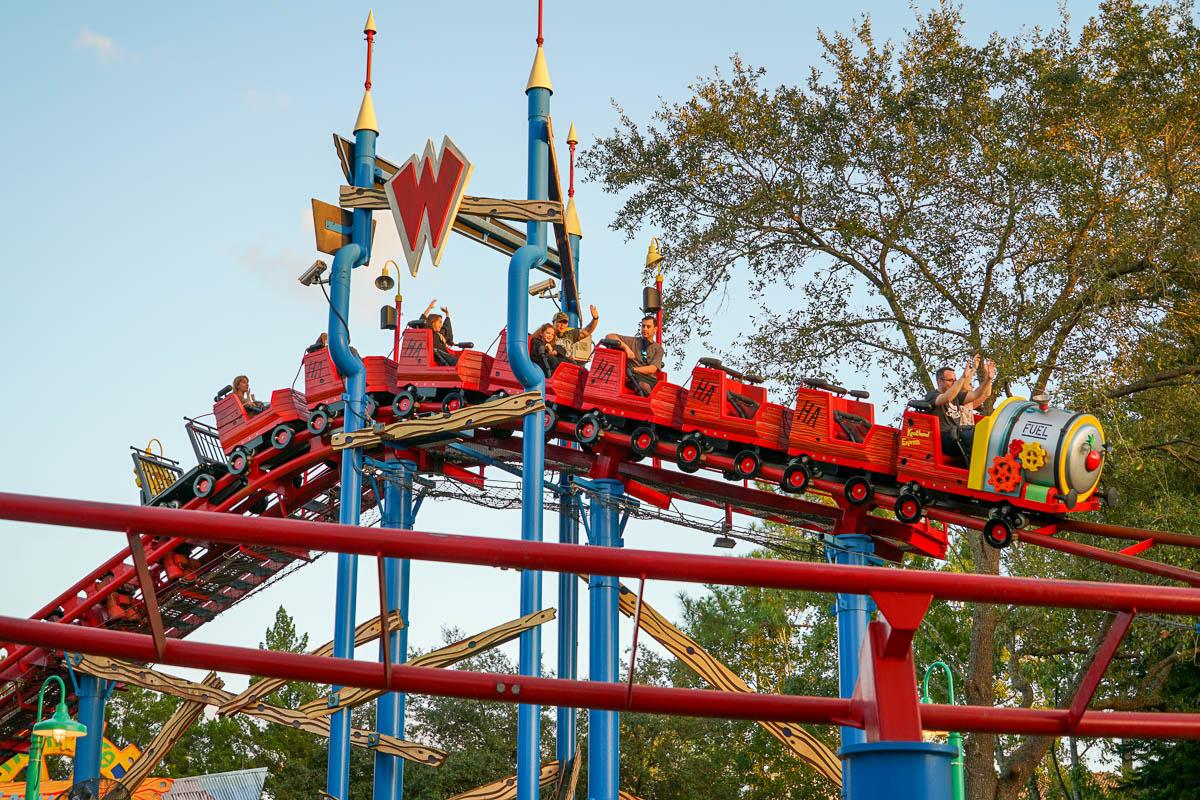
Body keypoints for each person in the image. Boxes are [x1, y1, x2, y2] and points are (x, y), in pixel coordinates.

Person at [924, 355, 995, 462]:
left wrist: (988, 379)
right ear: (940, 382)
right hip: (944, 438)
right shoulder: (932, 395)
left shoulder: (956, 397)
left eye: (955, 380)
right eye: (950, 380)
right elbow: (946, 398)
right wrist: (963, 378)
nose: (954, 382)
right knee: (972, 436)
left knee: (986, 434)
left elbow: (977, 394)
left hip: (957, 435)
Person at [604, 315, 664, 396]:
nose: (645, 329)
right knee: (643, 386)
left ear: (655, 329)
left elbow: (652, 369)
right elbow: (609, 336)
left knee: (658, 391)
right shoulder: (633, 341)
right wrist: (626, 348)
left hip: (649, 379)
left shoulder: (658, 349)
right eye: (643, 326)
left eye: (648, 327)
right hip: (633, 378)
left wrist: (633, 369)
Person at [420, 300, 459, 366]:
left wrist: (447, 315)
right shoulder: (429, 332)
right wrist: (429, 308)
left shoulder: (440, 334)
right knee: (457, 362)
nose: (441, 325)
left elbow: (446, 328)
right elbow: (422, 321)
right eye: (440, 322)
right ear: (433, 322)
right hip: (439, 358)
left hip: (447, 358)